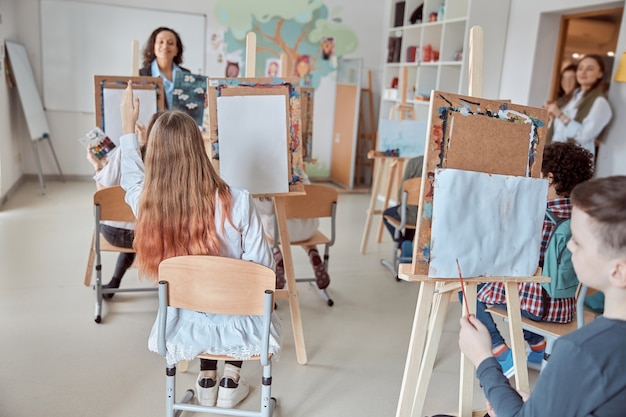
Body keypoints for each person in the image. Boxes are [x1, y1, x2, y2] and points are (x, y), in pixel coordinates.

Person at [118, 81, 281, 409]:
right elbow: (263, 270)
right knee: (247, 288)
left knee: (201, 296)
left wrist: (127, 127)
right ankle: (230, 380)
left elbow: (131, 179)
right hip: (241, 323)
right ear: (198, 148)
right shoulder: (237, 200)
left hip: (183, 323)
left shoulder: (147, 204)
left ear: (154, 155)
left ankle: (206, 380)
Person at [458, 175, 626, 417]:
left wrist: (483, 359)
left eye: (577, 241)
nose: (569, 246)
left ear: (618, 271)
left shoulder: (582, 353)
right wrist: (539, 405)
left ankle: (499, 351)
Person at [472, 142, 594, 377]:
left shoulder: (540, 217)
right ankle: (537, 347)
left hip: (538, 306)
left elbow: (518, 263)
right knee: (514, 290)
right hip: (567, 307)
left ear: (548, 179)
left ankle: (500, 353)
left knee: (467, 288)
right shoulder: (581, 215)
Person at [85, 119, 151, 299]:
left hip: (112, 234)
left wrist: (97, 166)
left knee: (109, 218)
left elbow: (103, 192)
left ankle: (114, 283)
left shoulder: (122, 153)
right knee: (133, 225)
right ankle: (116, 281)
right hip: (144, 237)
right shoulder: (159, 157)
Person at [253, 173, 330, 290]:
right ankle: (313, 252)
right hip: (308, 230)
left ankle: (276, 253)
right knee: (303, 229)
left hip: (279, 233)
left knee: (261, 224)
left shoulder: (269, 179)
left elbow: (266, 210)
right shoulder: (302, 175)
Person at [545, 54, 612, 158]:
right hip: (554, 155)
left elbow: (583, 136)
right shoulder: (570, 97)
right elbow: (557, 131)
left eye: (589, 69)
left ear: (600, 74)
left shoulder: (600, 102)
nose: (583, 72)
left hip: (575, 160)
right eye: (580, 68)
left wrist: (560, 115)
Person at [382, 155, 424, 258]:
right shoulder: (441, 163)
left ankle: (402, 244)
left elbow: (401, 194)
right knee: (416, 214)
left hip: (409, 214)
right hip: (428, 216)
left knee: (386, 214)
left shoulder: (413, 162)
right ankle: (407, 246)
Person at [139, 27, 190, 108]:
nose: (165, 46)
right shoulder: (141, 75)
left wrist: (200, 103)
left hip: (181, 121)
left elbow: (189, 105)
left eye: (170, 43)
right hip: (153, 121)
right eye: (161, 42)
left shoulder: (187, 75)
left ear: (177, 50)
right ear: (153, 47)